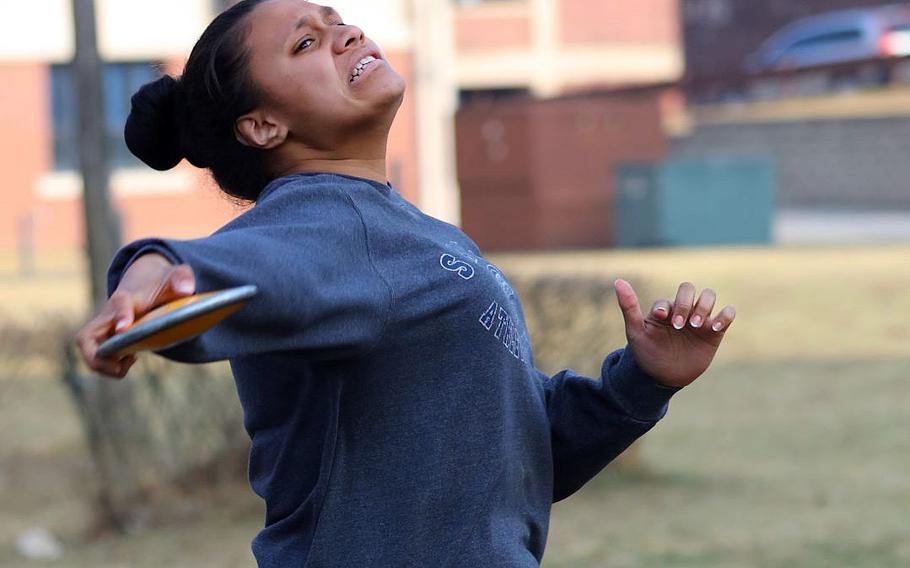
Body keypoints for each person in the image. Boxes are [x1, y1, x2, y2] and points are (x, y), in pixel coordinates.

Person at [74, 1, 737, 566]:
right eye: (307, 42)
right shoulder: (321, 224)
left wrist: (641, 382)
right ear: (264, 126)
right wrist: (150, 278)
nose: (346, 34)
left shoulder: (415, 233)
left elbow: (514, 453)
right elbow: (244, 270)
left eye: (338, 22)